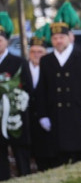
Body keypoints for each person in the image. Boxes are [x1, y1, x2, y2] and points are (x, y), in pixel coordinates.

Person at [38, 2, 81, 165]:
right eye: (55, 38)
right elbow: (42, 90)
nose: (58, 41)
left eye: (61, 37)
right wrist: (43, 115)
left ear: (69, 37)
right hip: (56, 118)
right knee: (60, 159)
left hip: (79, 115)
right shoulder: (46, 61)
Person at [0, 11, 31, 178]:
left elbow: (28, 89)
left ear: (6, 41)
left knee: (21, 158)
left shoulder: (18, 62)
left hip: (16, 119)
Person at [25, 32, 55, 171]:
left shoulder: (51, 67)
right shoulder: (23, 68)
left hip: (49, 120)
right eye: (33, 52)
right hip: (30, 121)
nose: (36, 55)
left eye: (40, 52)